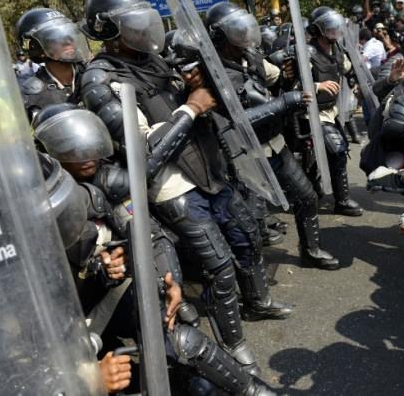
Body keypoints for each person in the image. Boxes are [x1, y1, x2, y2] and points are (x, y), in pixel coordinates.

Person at [78, 0, 291, 374]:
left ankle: (258, 302)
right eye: (132, 24)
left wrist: (194, 83)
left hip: (206, 165)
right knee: (219, 266)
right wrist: (191, 108)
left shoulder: (153, 60)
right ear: (110, 31)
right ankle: (234, 345)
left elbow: (194, 96)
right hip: (171, 184)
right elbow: (143, 155)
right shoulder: (101, 78)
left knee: (248, 236)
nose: (143, 28)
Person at [33, 105, 277, 395]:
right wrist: (84, 381)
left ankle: (252, 390)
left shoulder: (103, 188)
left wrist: (164, 281)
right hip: (55, 330)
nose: (85, 157)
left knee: (176, 337)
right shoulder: (29, 217)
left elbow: (147, 234)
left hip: (103, 299)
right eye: (72, 149)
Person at [206, 1, 340, 270]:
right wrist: (285, 102)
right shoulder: (214, 74)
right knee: (250, 222)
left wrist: (287, 78)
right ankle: (252, 281)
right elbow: (236, 120)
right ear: (221, 35)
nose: (244, 34)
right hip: (242, 156)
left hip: (273, 143)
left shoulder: (252, 57)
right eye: (236, 30)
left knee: (307, 197)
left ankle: (311, 251)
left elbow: (275, 81)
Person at [306, 6, 363, 216]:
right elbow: (291, 85)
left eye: (335, 27)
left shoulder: (337, 49)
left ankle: (319, 191)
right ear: (317, 29)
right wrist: (317, 86)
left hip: (332, 110)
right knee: (336, 150)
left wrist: (356, 84)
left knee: (334, 151)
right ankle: (342, 200)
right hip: (311, 113)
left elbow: (348, 69)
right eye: (329, 27)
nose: (334, 31)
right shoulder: (306, 53)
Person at [15, 8, 90, 121]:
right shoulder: (32, 98)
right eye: (57, 38)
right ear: (36, 47)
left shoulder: (93, 75)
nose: (68, 42)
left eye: (68, 35)